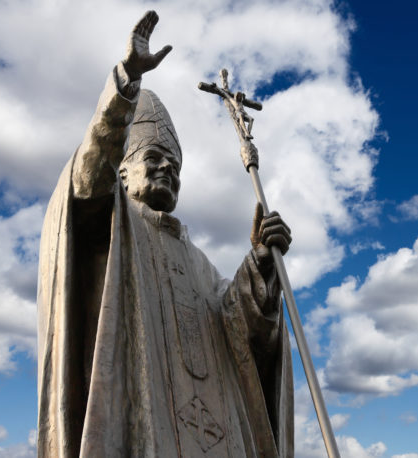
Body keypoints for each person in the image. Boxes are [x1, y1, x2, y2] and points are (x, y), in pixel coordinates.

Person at [37, 11, 294, 457]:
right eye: (153, 157)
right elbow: (88, 182)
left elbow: (237, 325)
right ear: (123, 167)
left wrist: (261, 265)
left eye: (174, 166)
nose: (166, 169)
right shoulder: (115, 223)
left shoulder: (198, 263)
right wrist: (125, 87)